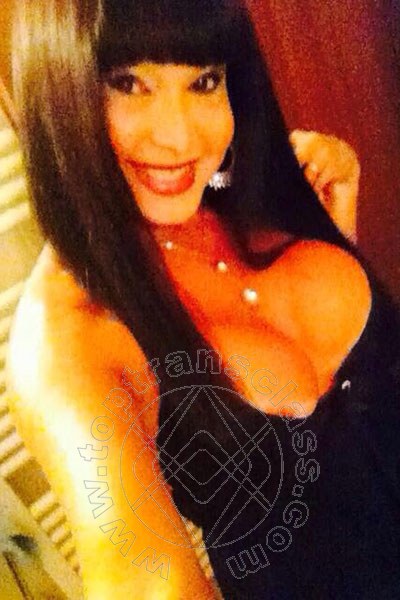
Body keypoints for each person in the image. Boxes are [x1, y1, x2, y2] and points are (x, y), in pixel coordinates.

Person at [7, 0, 399, 598]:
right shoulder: (67, 337)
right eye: (128, 83)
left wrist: (335, 232)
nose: (179, 135)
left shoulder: (246, 191)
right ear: (57, 91)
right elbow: (146, 578)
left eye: (203, 81)